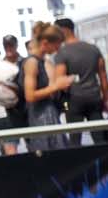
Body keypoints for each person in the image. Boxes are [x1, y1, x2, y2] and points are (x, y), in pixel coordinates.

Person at [51, 19, 108, 143]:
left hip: (72, 101)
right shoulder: (93, 49)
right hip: (94, 98)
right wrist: (105, 99)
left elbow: (60, 82)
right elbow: (103, 76)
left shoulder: (62, 53)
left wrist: (60, 104)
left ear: (63, 31)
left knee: (75, 139)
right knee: (99, 138)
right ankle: (104, 161)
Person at [23, 23, 74, 151]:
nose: (58, 49)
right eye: (57, 45)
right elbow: (29, 96)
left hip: (46, 115)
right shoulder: (32, 62)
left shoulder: (40, 61)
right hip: (40, 117)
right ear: (45, 43)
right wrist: (56, 86)